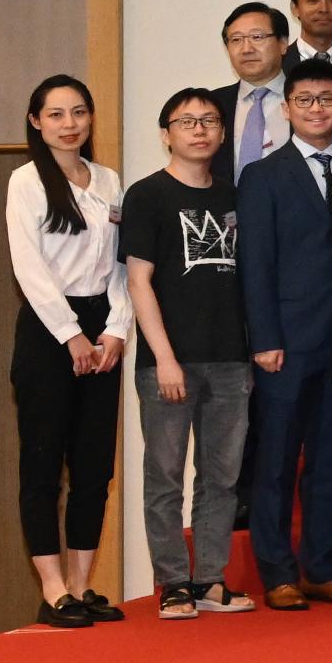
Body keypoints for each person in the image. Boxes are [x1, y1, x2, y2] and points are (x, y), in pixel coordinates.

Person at [123, 89, 256, 618]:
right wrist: (165, 358)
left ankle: (210, 579)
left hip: (230, 358)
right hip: (169, 361)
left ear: (222, 134)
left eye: (209, 121)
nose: (199, 130)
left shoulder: (233, 195)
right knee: (165, 476)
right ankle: (173, 582)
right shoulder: (147, 195)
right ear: (166, 134)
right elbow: (139, 282)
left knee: (221, 477)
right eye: (186, 121)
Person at [237, 56, 332, 607]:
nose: (317, 110)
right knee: (277, 462)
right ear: (286, 109)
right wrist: (264, 337)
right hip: (285, 342)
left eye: (327, 100)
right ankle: (278, 573)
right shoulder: (263, 175)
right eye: (305, 101)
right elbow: (255, 264)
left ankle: (321, 567)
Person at [6, 75, 129, 629]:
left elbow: (125, 266)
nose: (70, 124)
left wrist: (117, 331)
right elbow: (30, 269)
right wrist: (70, 333)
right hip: (47, 331)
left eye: (79, 112)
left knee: (94, 465)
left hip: (103, 326)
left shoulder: (107, 179)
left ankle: (82, 584)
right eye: (56, 115)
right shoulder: (26, 181)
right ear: (36, 122)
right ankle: (52, 588)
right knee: (43, 463)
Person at [214, 1, 294, 173]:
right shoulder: (214, 104)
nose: (246, 49)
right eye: (236, 40)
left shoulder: (306, 101)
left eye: (257, 37)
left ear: (283, 43)